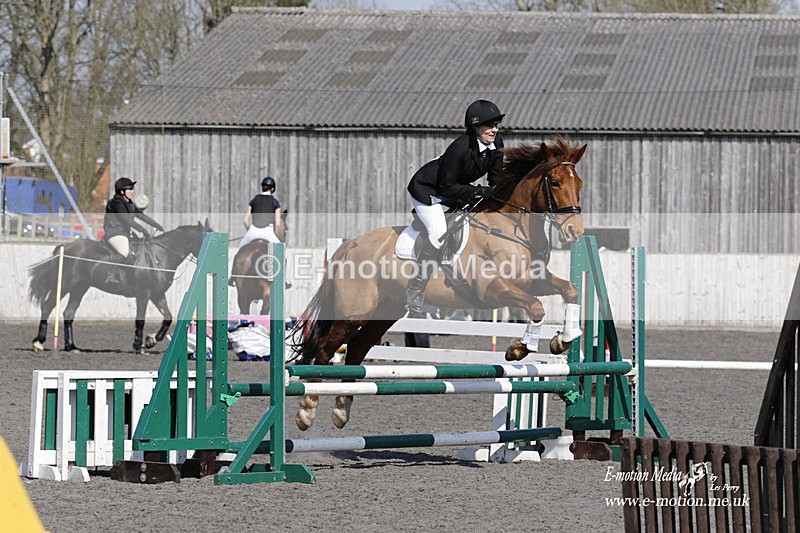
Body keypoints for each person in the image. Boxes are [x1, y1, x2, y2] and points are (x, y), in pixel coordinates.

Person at [404, 99, 505, 313]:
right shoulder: (459, 147)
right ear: (476, 127)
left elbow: (496, 180)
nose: (494, 129)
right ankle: (415, 289)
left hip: (455, 191)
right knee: (438, 232)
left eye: (496, 124)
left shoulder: (497, 144)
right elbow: (446, 187)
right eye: (489, 125)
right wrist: (478, 191)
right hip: (428, 190)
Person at [103, 177, 163, 284]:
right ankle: (111, 275)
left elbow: (141, 216)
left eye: (133, 189)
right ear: (122, 191)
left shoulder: (128, 203)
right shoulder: (117, 203)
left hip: (124, 234)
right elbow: (126, 220)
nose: (133, 191)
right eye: (130, 189)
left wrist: (156, 225)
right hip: (114, 233)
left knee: (141, 247)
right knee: (125, 251)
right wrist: (143, 230)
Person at [238, 176, 285, 250]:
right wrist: (277, 236)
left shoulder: (254, 201)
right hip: (268, 232)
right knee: (280, 252)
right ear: (272, 189)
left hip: (253, 231)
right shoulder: (275, 202)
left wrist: (250, 231)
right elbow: (278, 224)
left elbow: (245, 221)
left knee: (238, 252)